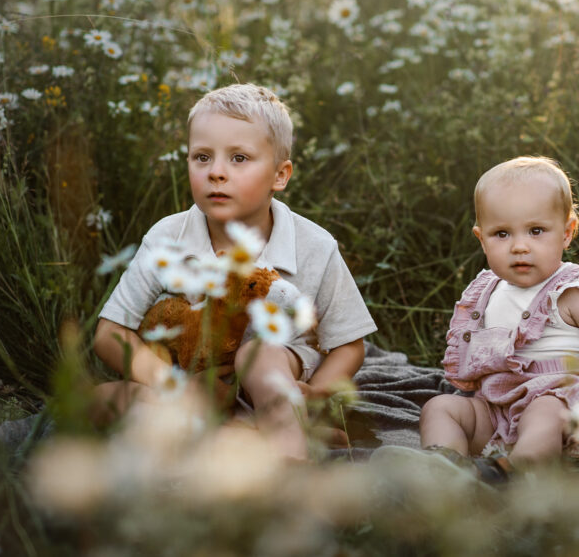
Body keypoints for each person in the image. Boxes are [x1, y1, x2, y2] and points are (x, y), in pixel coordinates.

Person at [92, 83, 376, 459]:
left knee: (257, 355)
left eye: (239, 158)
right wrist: (170, 383)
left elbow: (348, 345)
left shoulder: (314, 246)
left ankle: (289, 456)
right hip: (190, 386)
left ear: (280, 175)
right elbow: (109, 333)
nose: (217, 173)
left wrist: (318, 392)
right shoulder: (167, 237)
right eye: (202, 157)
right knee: (101, 401)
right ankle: (239, 438)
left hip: (277, 384)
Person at [418, 155, 579, 477]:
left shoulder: (574, 289)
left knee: (543, 412)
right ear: (482, 240)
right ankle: (445, 470)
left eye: (536, 231)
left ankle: (513, 475)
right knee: (440, 407)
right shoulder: (485, 291)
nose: (520, 246)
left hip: (563, 401)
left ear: (567, 233)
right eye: (502, 234)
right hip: (496, 409)